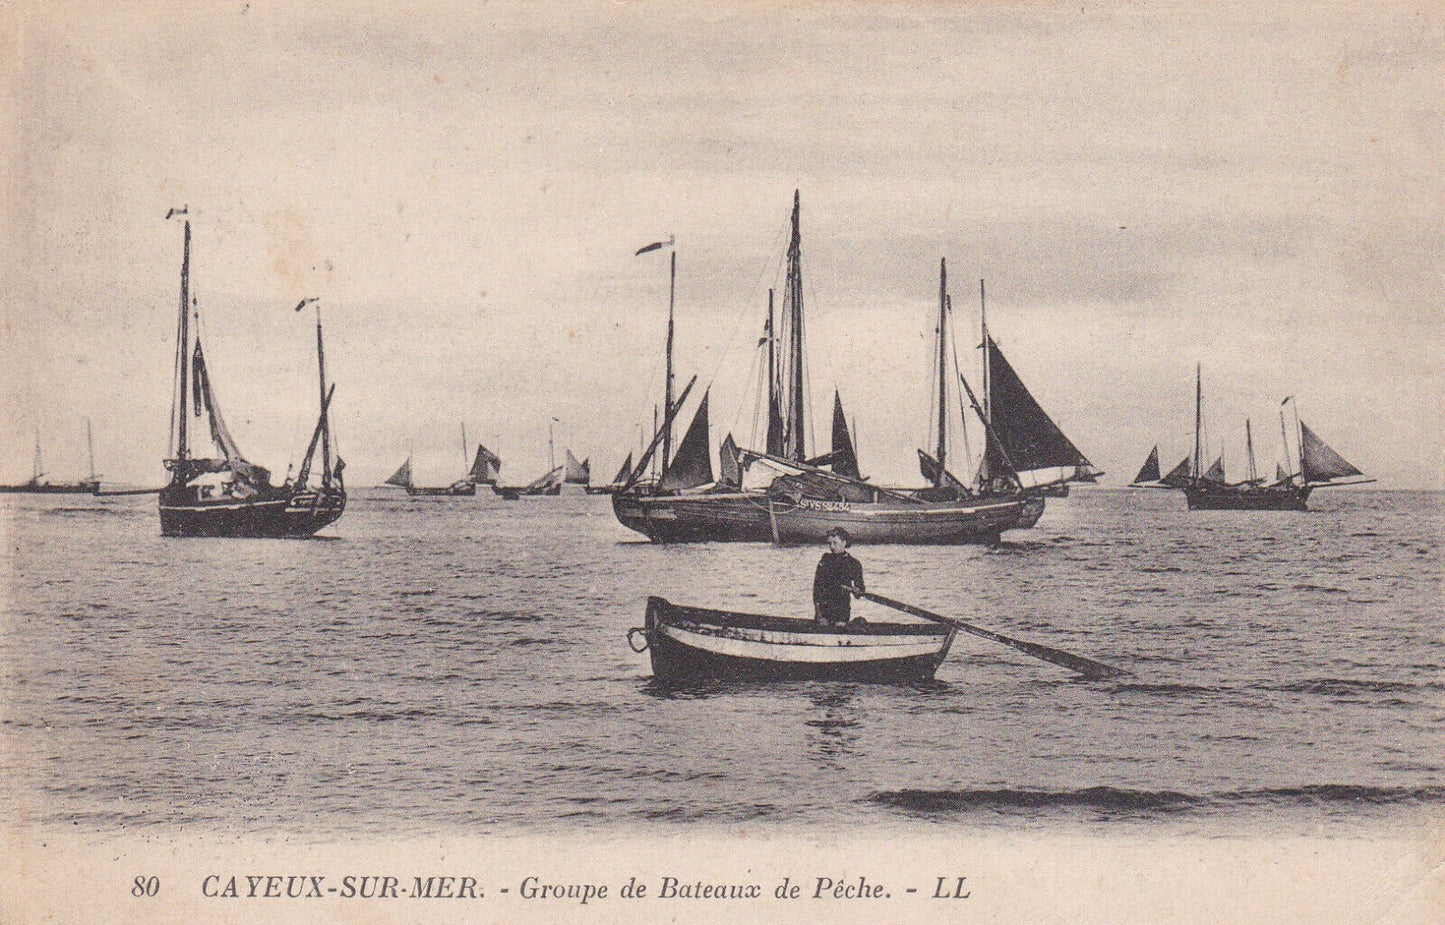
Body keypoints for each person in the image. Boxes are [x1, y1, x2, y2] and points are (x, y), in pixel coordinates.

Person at [813, 527, 864, 626]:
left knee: (839, 628)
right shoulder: (824, 561)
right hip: (823, 610)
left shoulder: (854, 563)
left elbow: (859, 592)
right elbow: (816, 590)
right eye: (829, 543)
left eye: (835, 543)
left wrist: (857, 590)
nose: (832, 547)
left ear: (844, 542)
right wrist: (819, 614)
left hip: (842, 610)